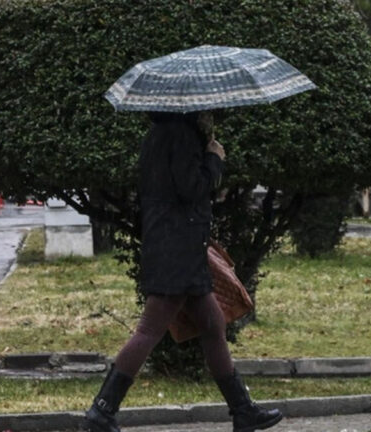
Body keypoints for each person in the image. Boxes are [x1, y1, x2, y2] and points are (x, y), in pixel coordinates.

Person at [84, 111, 283, 432]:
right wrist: (213, 159)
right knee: (150, 329)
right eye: (205, 109)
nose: (209, 114)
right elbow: (192, 188)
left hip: (179, 247)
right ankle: (102, 411)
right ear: (188, 108)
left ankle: (243, 411)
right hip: (176, 249)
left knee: (213, 324)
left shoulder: (162, 133)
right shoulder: (179, 135)